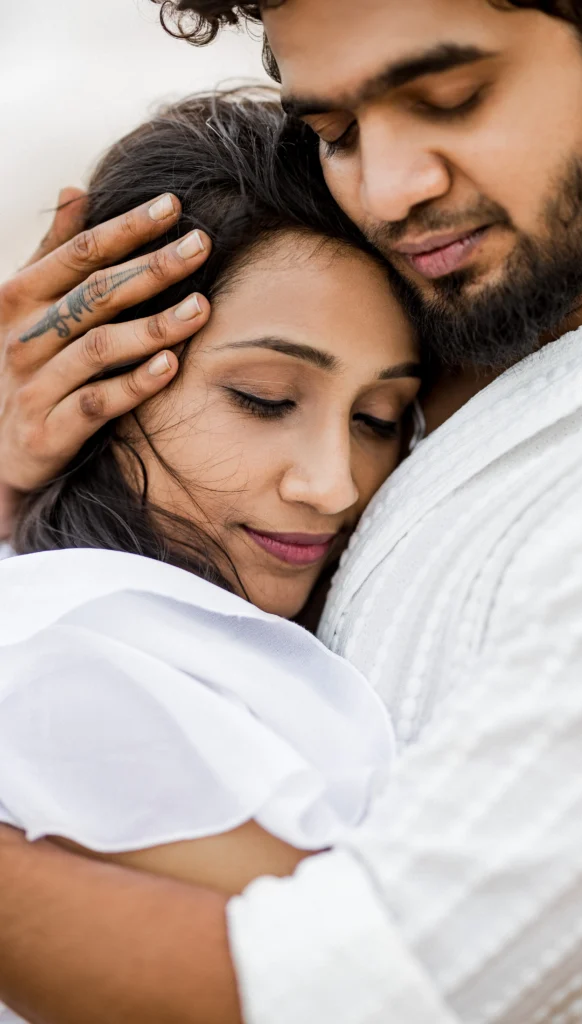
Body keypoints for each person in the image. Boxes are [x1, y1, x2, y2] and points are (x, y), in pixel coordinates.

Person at [1, 0, 582, 1022]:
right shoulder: (442, 325)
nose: (389, 192)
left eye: (449, 98)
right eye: (335, 134)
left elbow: (377, 994)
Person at [0, 89, 420, 1022]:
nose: (332, 485)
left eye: (379, 420)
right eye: (266, 398)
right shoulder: (63, 659)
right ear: (97, 370)